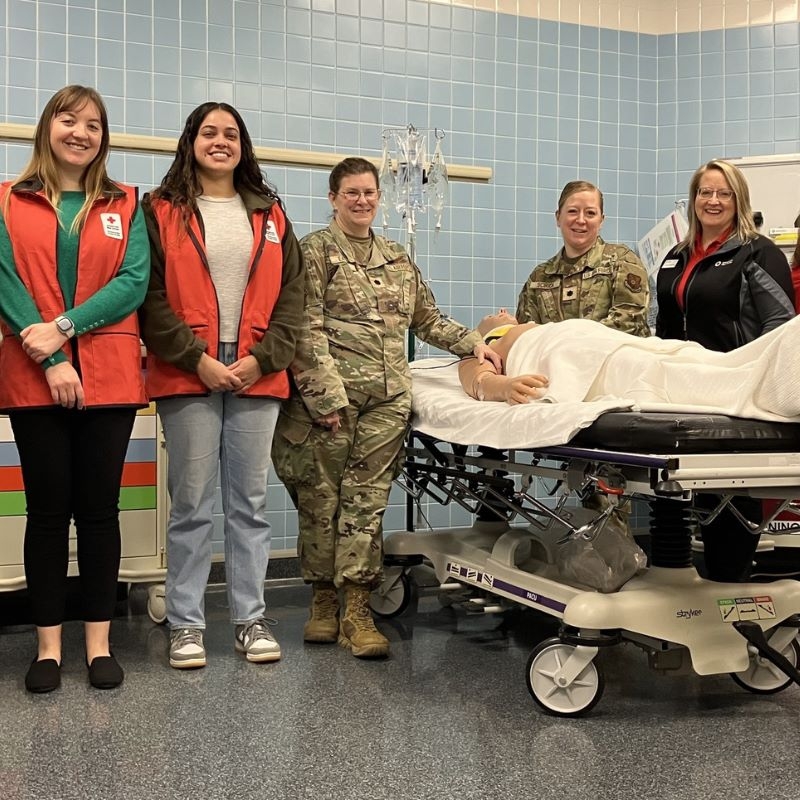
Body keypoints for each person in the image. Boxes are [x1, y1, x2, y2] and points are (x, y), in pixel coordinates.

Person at [272, 156, 500, 659]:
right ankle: (323, 601)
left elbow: (428, 318)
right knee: (321, 501)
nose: (361, 201)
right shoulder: (315, 253)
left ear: (380, 198)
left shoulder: (397, 258)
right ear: (332, 198)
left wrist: (472, 344)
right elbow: (303, 329)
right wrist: (324, 398)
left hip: (386, 404)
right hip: (327, 405)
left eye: (369, 193)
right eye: (351, 192)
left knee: (366, 502)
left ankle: (357, 608)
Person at [138, 102, 305, 669]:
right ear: (191, 141)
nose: (220, 141)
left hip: (256, 369)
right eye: (209, 132)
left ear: (243, 146)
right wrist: (197, 359)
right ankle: (186, 624)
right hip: (190, 370)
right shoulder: (159, 211)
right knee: (190, 503)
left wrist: (262, 360)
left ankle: (250, 618)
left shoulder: (271, 214)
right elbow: (150, 298)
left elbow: (293, 300)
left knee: (249, 504)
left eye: (230, 134)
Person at [0, 86, 150, 693]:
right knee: (44, 514)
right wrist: (53, 358)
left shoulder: (126, 203)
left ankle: (98, 645)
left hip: (109, 378)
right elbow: (5, 280)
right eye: (69, 120)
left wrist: (62, 328)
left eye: (93, 124)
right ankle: (46, 650)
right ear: (48, 128)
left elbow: (133, 281)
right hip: (34, 377)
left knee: (98, 514)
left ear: (103, 138)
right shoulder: (7, 201)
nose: (80, 133)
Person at [656, 159, 796, 583]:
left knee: (728, 491)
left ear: (739, 200)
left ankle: (729, 583)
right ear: (693, 198)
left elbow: (783, 326)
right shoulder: (676, 257)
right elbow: (664, 323)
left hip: (735, 386)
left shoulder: (758, 252)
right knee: (675, 486)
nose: (713, 201)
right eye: (705, 192)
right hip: (682, 386)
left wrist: (751, 374)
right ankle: (678, 583)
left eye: (724, 193)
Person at [459, 311, 800, 420]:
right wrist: (500, 386)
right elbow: (470, 373)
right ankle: (777, 384)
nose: (499, 312)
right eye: (492, 315)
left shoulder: (537, 326)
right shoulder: (484, 342)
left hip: (594, 340)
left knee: (692, 357)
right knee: (659, 374)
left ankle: (785, 348)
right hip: (582, 358)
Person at [515, 180, 650, 337]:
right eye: (572, 211)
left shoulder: (622, 261)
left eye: (590, 213)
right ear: (558, 217)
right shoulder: (540, 278)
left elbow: (628, 323)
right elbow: (526, 336)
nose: (580, 220)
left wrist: (568, 344)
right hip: (555, 361)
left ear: (601, 221)